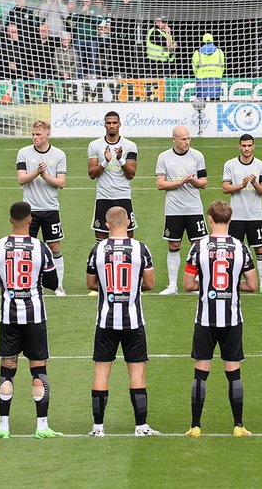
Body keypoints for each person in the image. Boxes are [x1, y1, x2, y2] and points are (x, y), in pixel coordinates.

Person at [0, 201, 63, 440]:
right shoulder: (40, 248)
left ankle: (3, 427)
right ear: (30, 220)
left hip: (8, 317)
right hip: (35, 317)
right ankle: (41, 426)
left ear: (11, 219)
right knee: (38, 370)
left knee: (7, 370)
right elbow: (52, 283)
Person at [183, 200, 258, 438]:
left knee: (201, 371)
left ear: (210, 219)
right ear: (231, 220)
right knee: (233, 371)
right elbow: (253, 285)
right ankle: (238, 425)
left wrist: (206, 286)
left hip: (205, 318)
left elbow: (187, 285)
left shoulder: (198, 247)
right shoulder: (240, 247)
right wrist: (233, 286)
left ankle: (195, 426)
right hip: (232, 318)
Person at [86, 206, 158, 437]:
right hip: (133, 321)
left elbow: (90, 283)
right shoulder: (140, 249)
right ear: (128, 222)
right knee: (137, 373)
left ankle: (98, 427)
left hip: (105, 321)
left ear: (107, 225)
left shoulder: (97, 250)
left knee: (101, 372)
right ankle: (141, 426)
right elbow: (150, 284)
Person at [16, 120, 68, 295]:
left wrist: (44, 175)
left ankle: (58, 285)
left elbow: (61, 183)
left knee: (54, 246)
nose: (35, 137)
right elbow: (21, 179)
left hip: (51, 209)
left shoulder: (59, 155)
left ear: (47, 134)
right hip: (29, 210)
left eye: (38, 134)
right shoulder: (23, 153)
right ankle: (27, 284)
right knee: (26, 248)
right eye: (33, 134)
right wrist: (37, 173)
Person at [154, 126, 208, 295]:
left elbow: (204, 182)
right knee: (174, 244)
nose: (186, 142)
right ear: (174, 140)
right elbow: (160, 184)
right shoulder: (163, 157)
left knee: (198, 246)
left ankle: (197, 283)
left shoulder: (197, 156)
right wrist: (179, 183)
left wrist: (192, 181)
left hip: (194, 208)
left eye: (188, 138)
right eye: (183, 139)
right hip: (174, 210)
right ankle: (172, 285)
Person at [221, 134, 262, 295]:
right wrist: (241, 185)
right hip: (235, 217)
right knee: (233, 250)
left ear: (254, 146)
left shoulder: (261, 165)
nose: (247, 149)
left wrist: (254, 183)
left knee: (260, 249)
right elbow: (225, 188)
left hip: (255, 216)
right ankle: (232, 281)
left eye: (249, 145)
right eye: (244, 146)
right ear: (239, 147)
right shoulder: (230, 164)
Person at [88, 111, 139, 241]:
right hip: (103, 197)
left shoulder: (130, 145)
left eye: (114, 123)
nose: (111, 125)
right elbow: (92, 174)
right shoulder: (94, 145)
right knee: (101, 239)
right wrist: (105, 162)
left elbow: (131, 174)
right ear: (104, 125)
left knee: (128, 238)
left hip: (123, 196)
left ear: (119, 124)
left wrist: (120, 159)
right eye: (108, 123)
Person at [191, 32, 225, 101]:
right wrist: (219, 74)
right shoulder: (219, 51)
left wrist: (198, 74)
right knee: (215, 99)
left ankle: (201, 112)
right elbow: (222, 65)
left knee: (201, 100)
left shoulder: (197, 52)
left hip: (201, 77)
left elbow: (194, 66)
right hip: (215, 77)